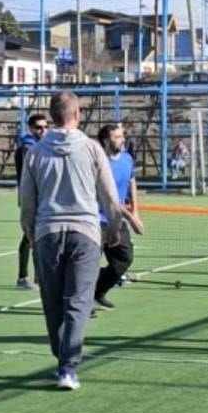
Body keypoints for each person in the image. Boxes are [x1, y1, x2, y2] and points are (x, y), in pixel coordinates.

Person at [19, 91, 143, 390]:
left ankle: (62, 359)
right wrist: (113, 230)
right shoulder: (90, 148)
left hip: (48, 231)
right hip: (85, 232)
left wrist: (32, 235)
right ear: (77, 115)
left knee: (53, 301)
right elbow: (110, 197)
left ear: (52, 116)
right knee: (78, 300)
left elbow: (27, 201)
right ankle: (68, 366)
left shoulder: (35, 152)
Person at [94, 122, 141, 309]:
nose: (122, 140)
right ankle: (81, 302)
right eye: (117, 137)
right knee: (87, 263)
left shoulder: (127, 159)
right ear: (106, 140)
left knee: (124, 260)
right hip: (97, 220)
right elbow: (105, 195)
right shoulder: (98, 162)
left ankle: (97, 292)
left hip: (117, 220)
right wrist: (129, 216)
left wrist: (135, 211)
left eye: (122, 136)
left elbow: (132, 182)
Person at [15, 112, 49, 290]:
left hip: (43, 196)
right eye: (38, 127)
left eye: (45, 127)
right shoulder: (28, 148)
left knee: (34, 236)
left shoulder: (40, 146)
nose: (43, 130)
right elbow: (28, 177)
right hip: (32, 197)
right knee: (31, 236)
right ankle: (27, 277)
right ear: (30, 129)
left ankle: (32, 276)